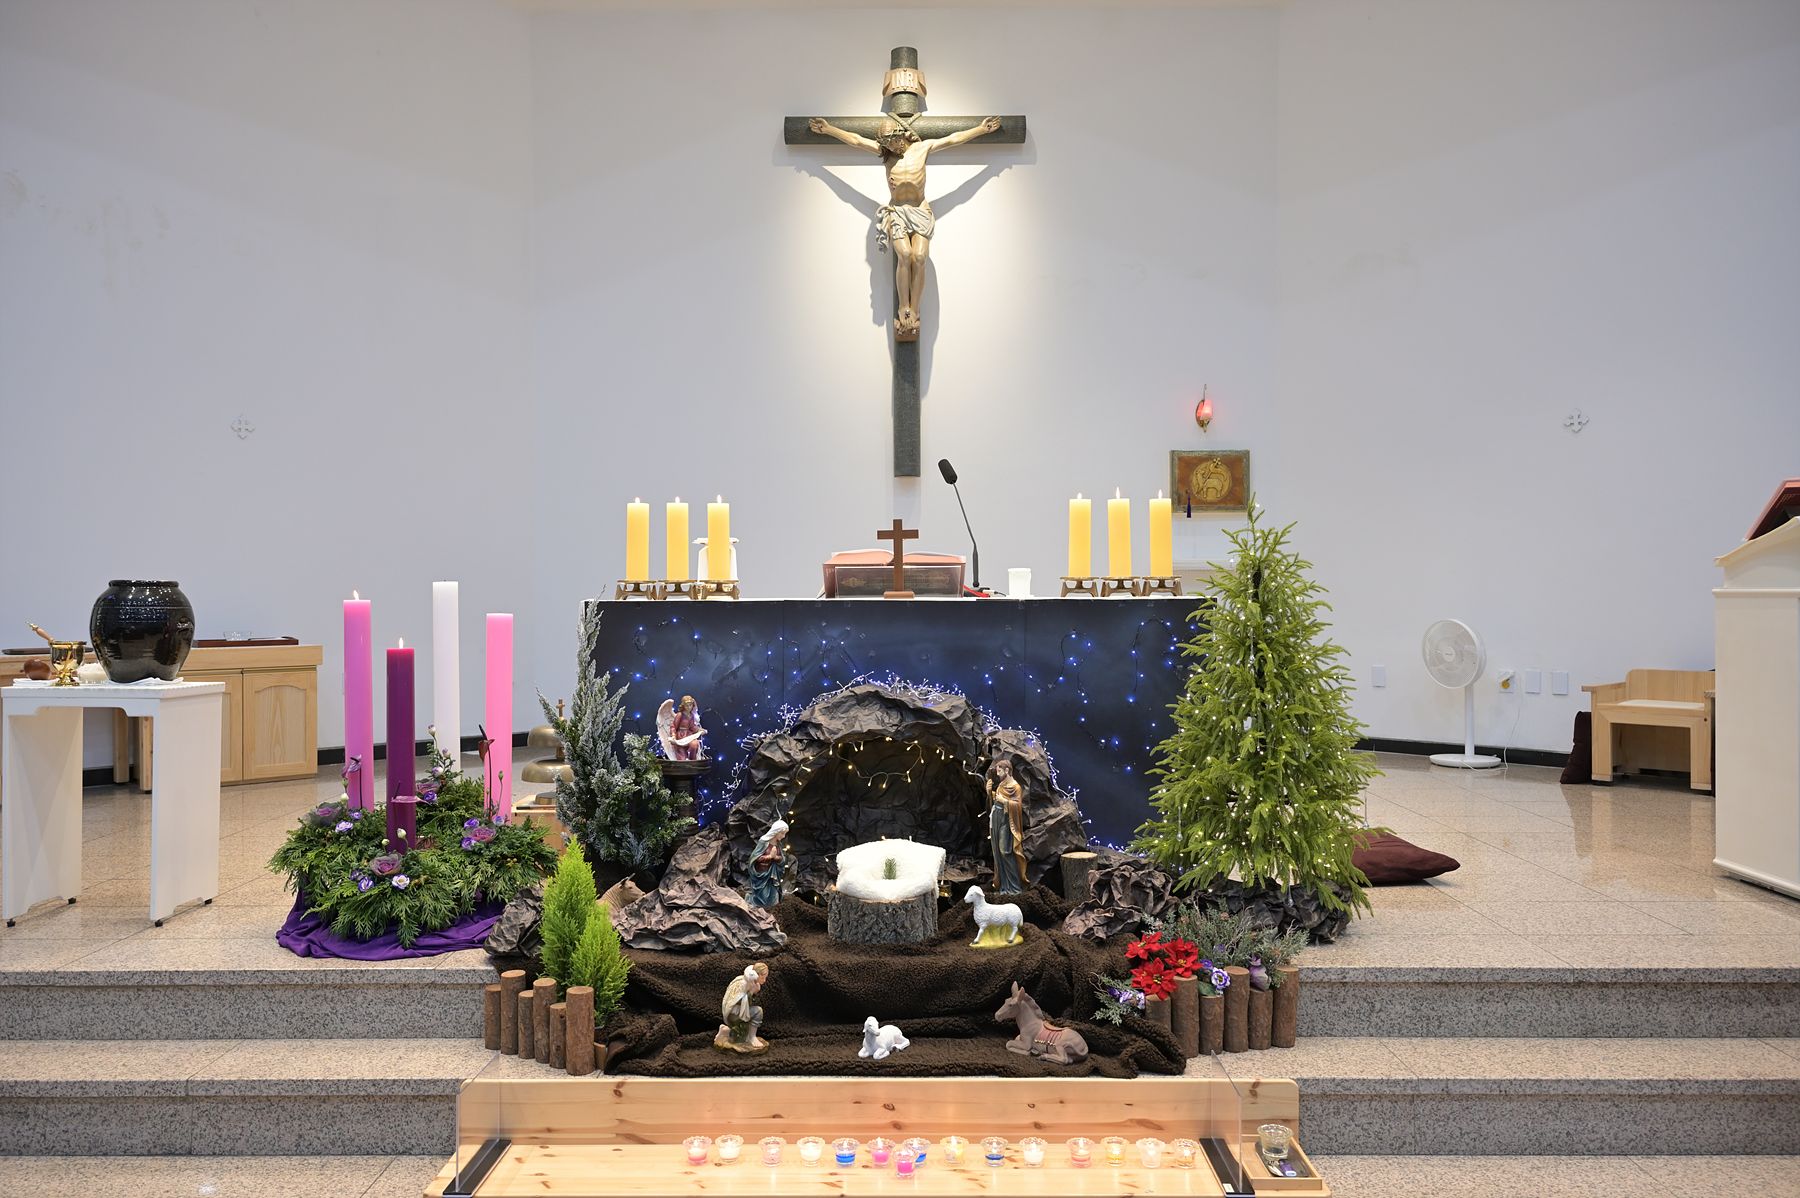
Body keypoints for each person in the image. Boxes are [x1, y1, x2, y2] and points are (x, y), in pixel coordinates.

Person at [807, 114, 1003, 341]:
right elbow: (856, 140)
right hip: (898, 212)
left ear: (901, 135)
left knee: (919, 257)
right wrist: (829, 129)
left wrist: (981, 130)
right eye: (886, 143)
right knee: (905, 255)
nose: (890, 146)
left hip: (920, 210)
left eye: (892, 141)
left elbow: (953, 139)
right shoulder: (885, 153)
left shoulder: (922, 148)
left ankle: (915, 309)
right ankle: (903, 307)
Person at [986, 759, 1028, 893]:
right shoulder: (1001, 784)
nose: (997, 774)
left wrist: (1005, 801)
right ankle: (1004, 885)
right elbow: (996, 800)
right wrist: (989, 792)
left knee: (1005, 851)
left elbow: (1017, 805)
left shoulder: (1016, 787)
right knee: (998, 852)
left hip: (1006, 821)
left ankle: (1014, 886)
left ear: (1007, 770)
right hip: (996, 819)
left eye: (999, 771)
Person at [748, 818, 790, 908]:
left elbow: (782, 859)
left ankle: (771, 908)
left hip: (773, 875)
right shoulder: (763, 842)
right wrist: (769, 857)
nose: (783, 836)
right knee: (762, 897)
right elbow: (754, 858)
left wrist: (776, 858)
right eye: (782, 833)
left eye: (784, 834)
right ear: (776, 832)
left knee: (773, 898)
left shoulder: (778, 844)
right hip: (762, 874)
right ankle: (757, 905)